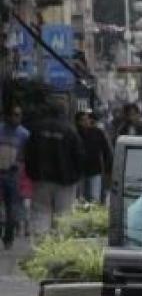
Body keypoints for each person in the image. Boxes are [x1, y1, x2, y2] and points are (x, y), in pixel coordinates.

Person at [23, 98, 84, 236]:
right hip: (65, 181)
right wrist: (76, 176)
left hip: (41, 179)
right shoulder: (70, 131)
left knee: (40, 212)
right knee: (63, 216)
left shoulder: (37, 129)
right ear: (65, 111)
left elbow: (29, 153)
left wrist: (32, 174)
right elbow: (79, 156)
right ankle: (58, 249)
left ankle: (40, 247)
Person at [0, 105, 30, 249]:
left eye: (18, 115)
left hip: (13, 176)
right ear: (7, 116)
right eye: (13, 114)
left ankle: (8, 238)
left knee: (12, 208)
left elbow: (28, 154)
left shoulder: (24, 134)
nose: (16, 117)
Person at [74, 110, 112, 203]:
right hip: (79, 171)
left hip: (95, 170)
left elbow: (106, 150)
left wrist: (108, 168)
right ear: (78, 122)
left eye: (87, 119)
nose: (86, 122)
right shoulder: (74, 134)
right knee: (80, 198)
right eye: (83, 120)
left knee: (94, 198)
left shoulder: (97, 132)